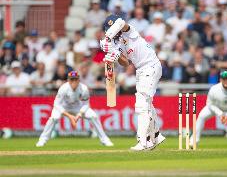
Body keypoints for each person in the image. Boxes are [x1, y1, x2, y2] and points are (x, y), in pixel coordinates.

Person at [100, 14, 166, 151]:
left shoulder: (130, 31)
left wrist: (107, 38)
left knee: (141, 104)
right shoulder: (117, 43)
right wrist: (114, 53)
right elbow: (125, 63)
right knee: (146, 103)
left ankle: (143, 142)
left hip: (150, 66)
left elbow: (121, 23)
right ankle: (156, 136)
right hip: (141, 70)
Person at [36, 71, 113, 147]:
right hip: (64, 107)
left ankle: (104, 140)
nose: (74, 82)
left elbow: (86, 104)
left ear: (79, 80)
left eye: (75, 79)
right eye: (71, 79)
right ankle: (42, 140)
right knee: (54, 118)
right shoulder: (63, 88)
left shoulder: (84, 88)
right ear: (68, 80)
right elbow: (56, 104)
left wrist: (79, 114)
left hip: (77, 107)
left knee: (93, 116)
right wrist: (69, 116)